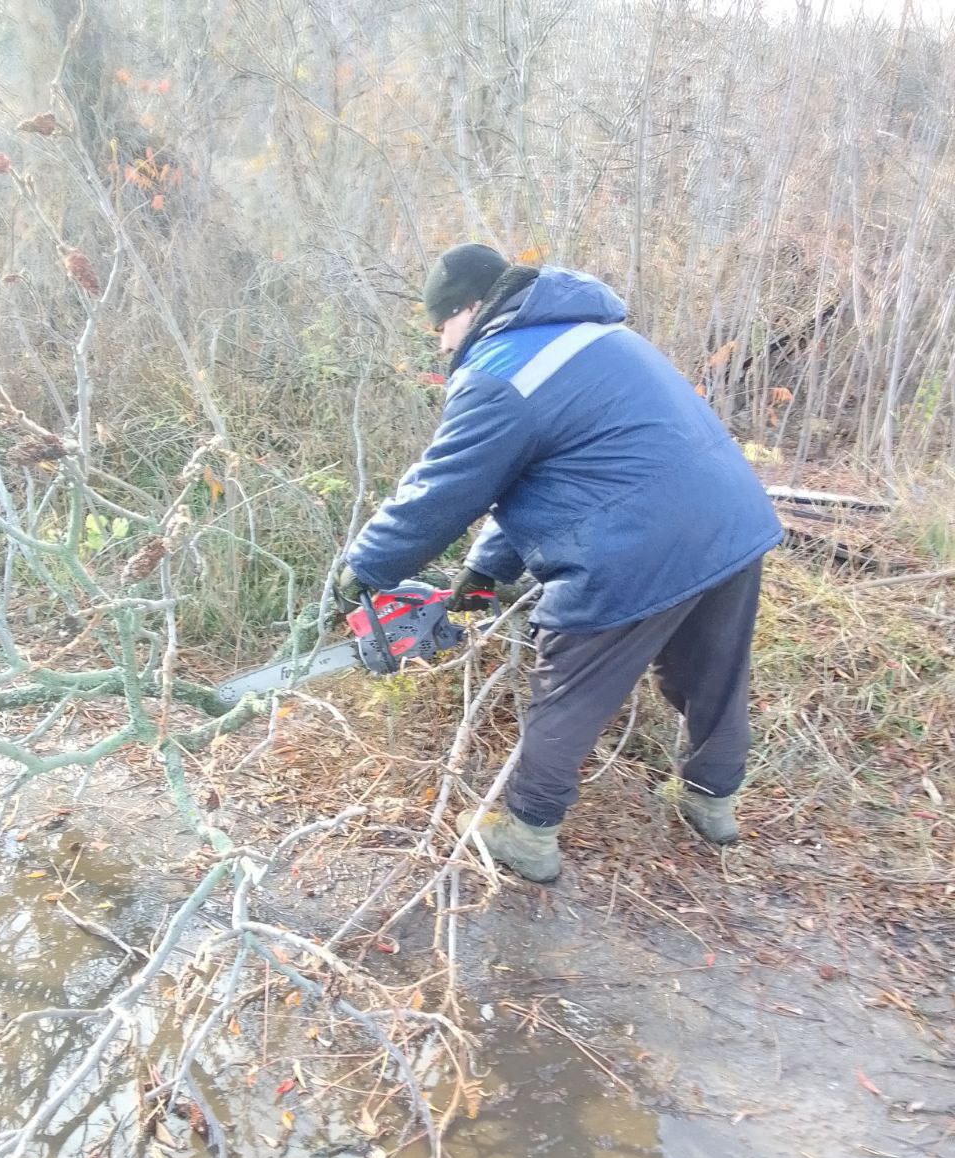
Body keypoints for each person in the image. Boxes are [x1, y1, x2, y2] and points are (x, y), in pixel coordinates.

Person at [335, 244, 783, 882]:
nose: (441, 345)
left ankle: (528, 831)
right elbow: (564, 471)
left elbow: (447, 486)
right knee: (712, 674)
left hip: (636, 542)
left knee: (568, 686)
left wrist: (367, 565)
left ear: (469, 307)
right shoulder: (596, 336)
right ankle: (714, 803)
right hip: (731, 523)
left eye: (442, 327)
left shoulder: (499, 372)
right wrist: (486, 568)